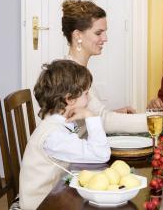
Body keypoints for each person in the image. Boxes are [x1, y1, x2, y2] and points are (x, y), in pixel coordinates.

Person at [19, 60, 111, 209]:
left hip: (55, 193)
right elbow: (101, 154)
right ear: (69, 99)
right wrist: (91, 116)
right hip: (42, 204)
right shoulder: (54, 136)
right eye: (86, 93)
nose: (89, 99)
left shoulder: (59, 122)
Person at [62, 0, 147, 133]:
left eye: (104, 32)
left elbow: (92, 117)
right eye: (98, 33)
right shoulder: (71, 77)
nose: (105, 38)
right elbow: (103, 122)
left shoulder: (76, 69)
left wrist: (116, 113)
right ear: (78, 35)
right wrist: (159, 119)